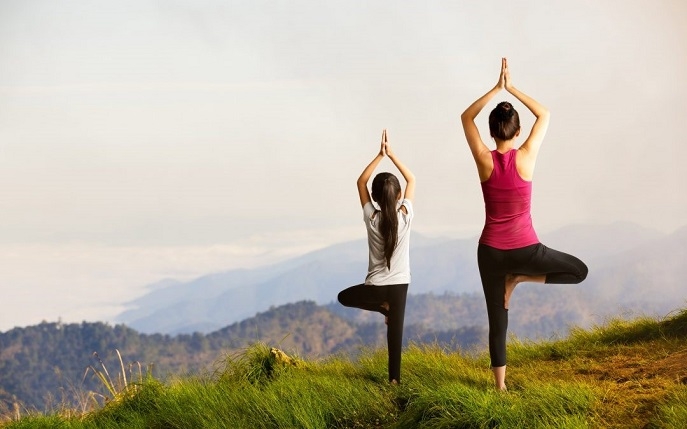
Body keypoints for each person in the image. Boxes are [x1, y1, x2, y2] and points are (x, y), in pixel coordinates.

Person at [460, 58, 588, 390]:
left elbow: (465, 117)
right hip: (527, 251)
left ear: (491, 132)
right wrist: (511, 87)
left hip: (489, 252)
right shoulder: (527, 155)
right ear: (518, 132)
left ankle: (500, 387)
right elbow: (544, 114)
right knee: (578, 271)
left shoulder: (484, 159)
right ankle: (520, 278)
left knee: (497, 320)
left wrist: (495, 89)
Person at [337, 129, 416, 385]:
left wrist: (379, 155)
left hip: (377, 287)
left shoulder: (371, 217)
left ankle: (382, 306)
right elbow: (412, 179)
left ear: (375, 197)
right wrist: (392, 155)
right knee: (396, 336)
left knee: (343, 297)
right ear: (398, 196)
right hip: (400, 285)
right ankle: (395, 381)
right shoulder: (405, 216)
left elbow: (360, 182)